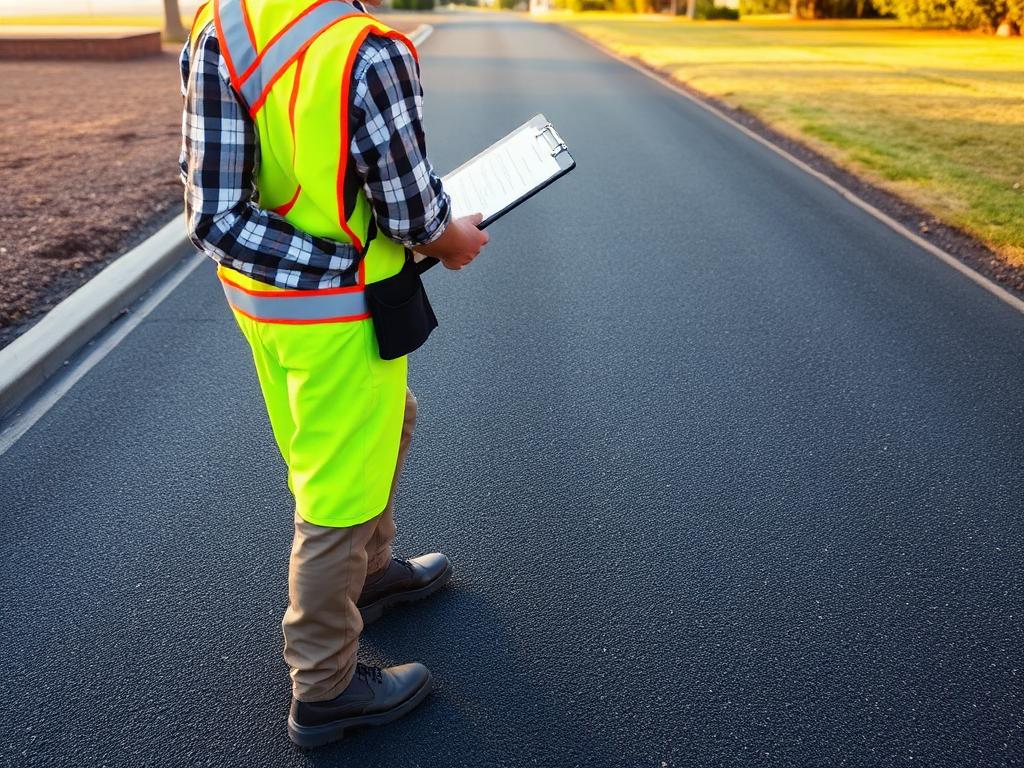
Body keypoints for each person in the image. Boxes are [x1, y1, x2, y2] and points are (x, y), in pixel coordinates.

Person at [179, 0, 488, 748]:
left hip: (261, 309)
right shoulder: (370, 52)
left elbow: (214, 215)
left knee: (385, 423)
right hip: (339, 313)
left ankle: (371, 576)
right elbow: (414, 214)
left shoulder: (223, 23)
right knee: (336, 494)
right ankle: (325, 689)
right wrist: (448, 242)